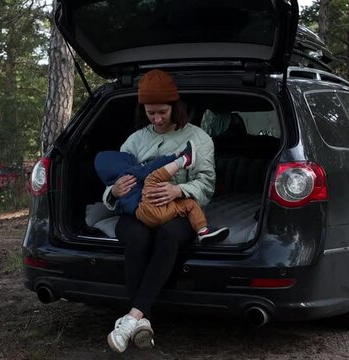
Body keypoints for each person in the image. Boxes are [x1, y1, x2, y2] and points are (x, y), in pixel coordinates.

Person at [101, 69, 217, 353]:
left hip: (176, 209)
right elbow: (113, 179)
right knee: (137, 238)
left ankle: (132, 316)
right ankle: (143, 321)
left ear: (175, 106)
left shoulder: (198, 139)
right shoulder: (135, 140)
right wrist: (114, 192)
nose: (157, 118)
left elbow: (207, 183)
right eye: (150, 113)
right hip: (138, 210)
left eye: (162, 112)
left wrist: (179, 190)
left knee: (168, 236)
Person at [94, 141, 229, 243]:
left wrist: (117, 194)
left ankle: (203, 232)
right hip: (149, 208)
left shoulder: (119, 186)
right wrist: (173, 157)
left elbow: (120, 207)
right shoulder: (129, 173)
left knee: (188, 203)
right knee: (152, 177)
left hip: (146, 216)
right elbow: (150, 167)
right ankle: (183, 160)